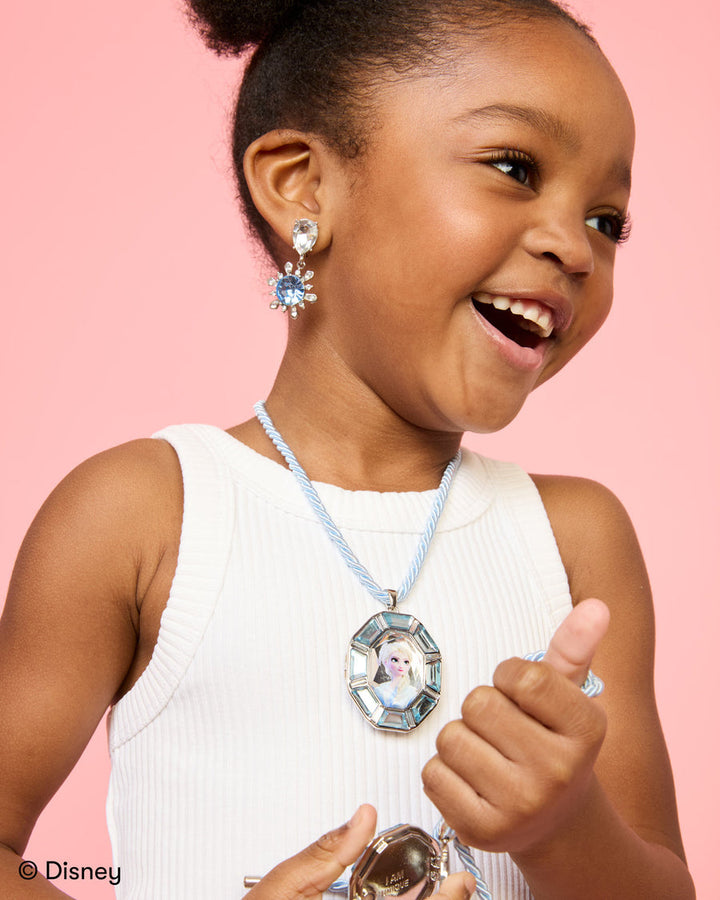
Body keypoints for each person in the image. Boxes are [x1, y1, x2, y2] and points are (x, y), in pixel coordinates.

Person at [0, 0, 696, 898]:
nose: (574, 247)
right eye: (515, 168)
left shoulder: (576, 539)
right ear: (302, 187)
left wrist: (563, 829)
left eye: (609, 221)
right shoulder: (145, 513)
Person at [373, 638, 421, 709]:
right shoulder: (380, 690)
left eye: (406, 662)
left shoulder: (412, 692)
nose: (401, 665)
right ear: (386, 662)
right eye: (395, 660)